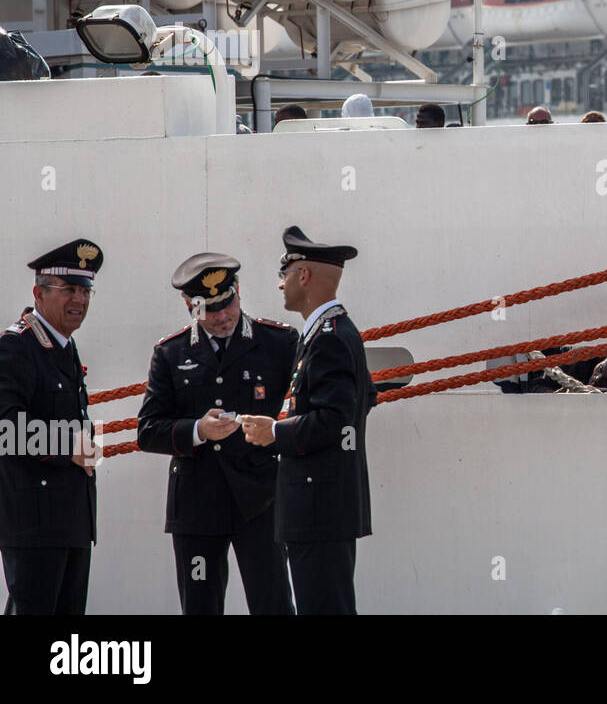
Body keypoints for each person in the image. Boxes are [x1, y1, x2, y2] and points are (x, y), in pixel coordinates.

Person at [137, 253, 298, 615]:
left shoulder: (279, 343)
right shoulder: (170, 353)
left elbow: (302, 407)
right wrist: (198, 430)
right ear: (189, 305)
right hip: (197, 502)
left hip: (261, 499)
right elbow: (148, 430)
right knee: (200, 605)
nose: (223, 317)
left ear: (238, 292)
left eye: (228, 303)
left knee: (272, 602)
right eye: (211, 310)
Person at [240, 227, 376, 615]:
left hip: (319, 507)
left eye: (284, 273)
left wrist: (275, 432)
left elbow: (334, 417)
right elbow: (365, 399)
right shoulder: (327, 332)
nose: (279, 284)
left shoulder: (330, 336)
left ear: (303, 276)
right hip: (320, 504)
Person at [0, 239, 103, 614]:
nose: (79, 300)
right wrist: (68, 446)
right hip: (33, 524)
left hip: (71, 520)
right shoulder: (17, 347)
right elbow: (5, 429)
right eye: (68, 290)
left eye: (85, 290)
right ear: (38, 293)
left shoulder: (63, 346)